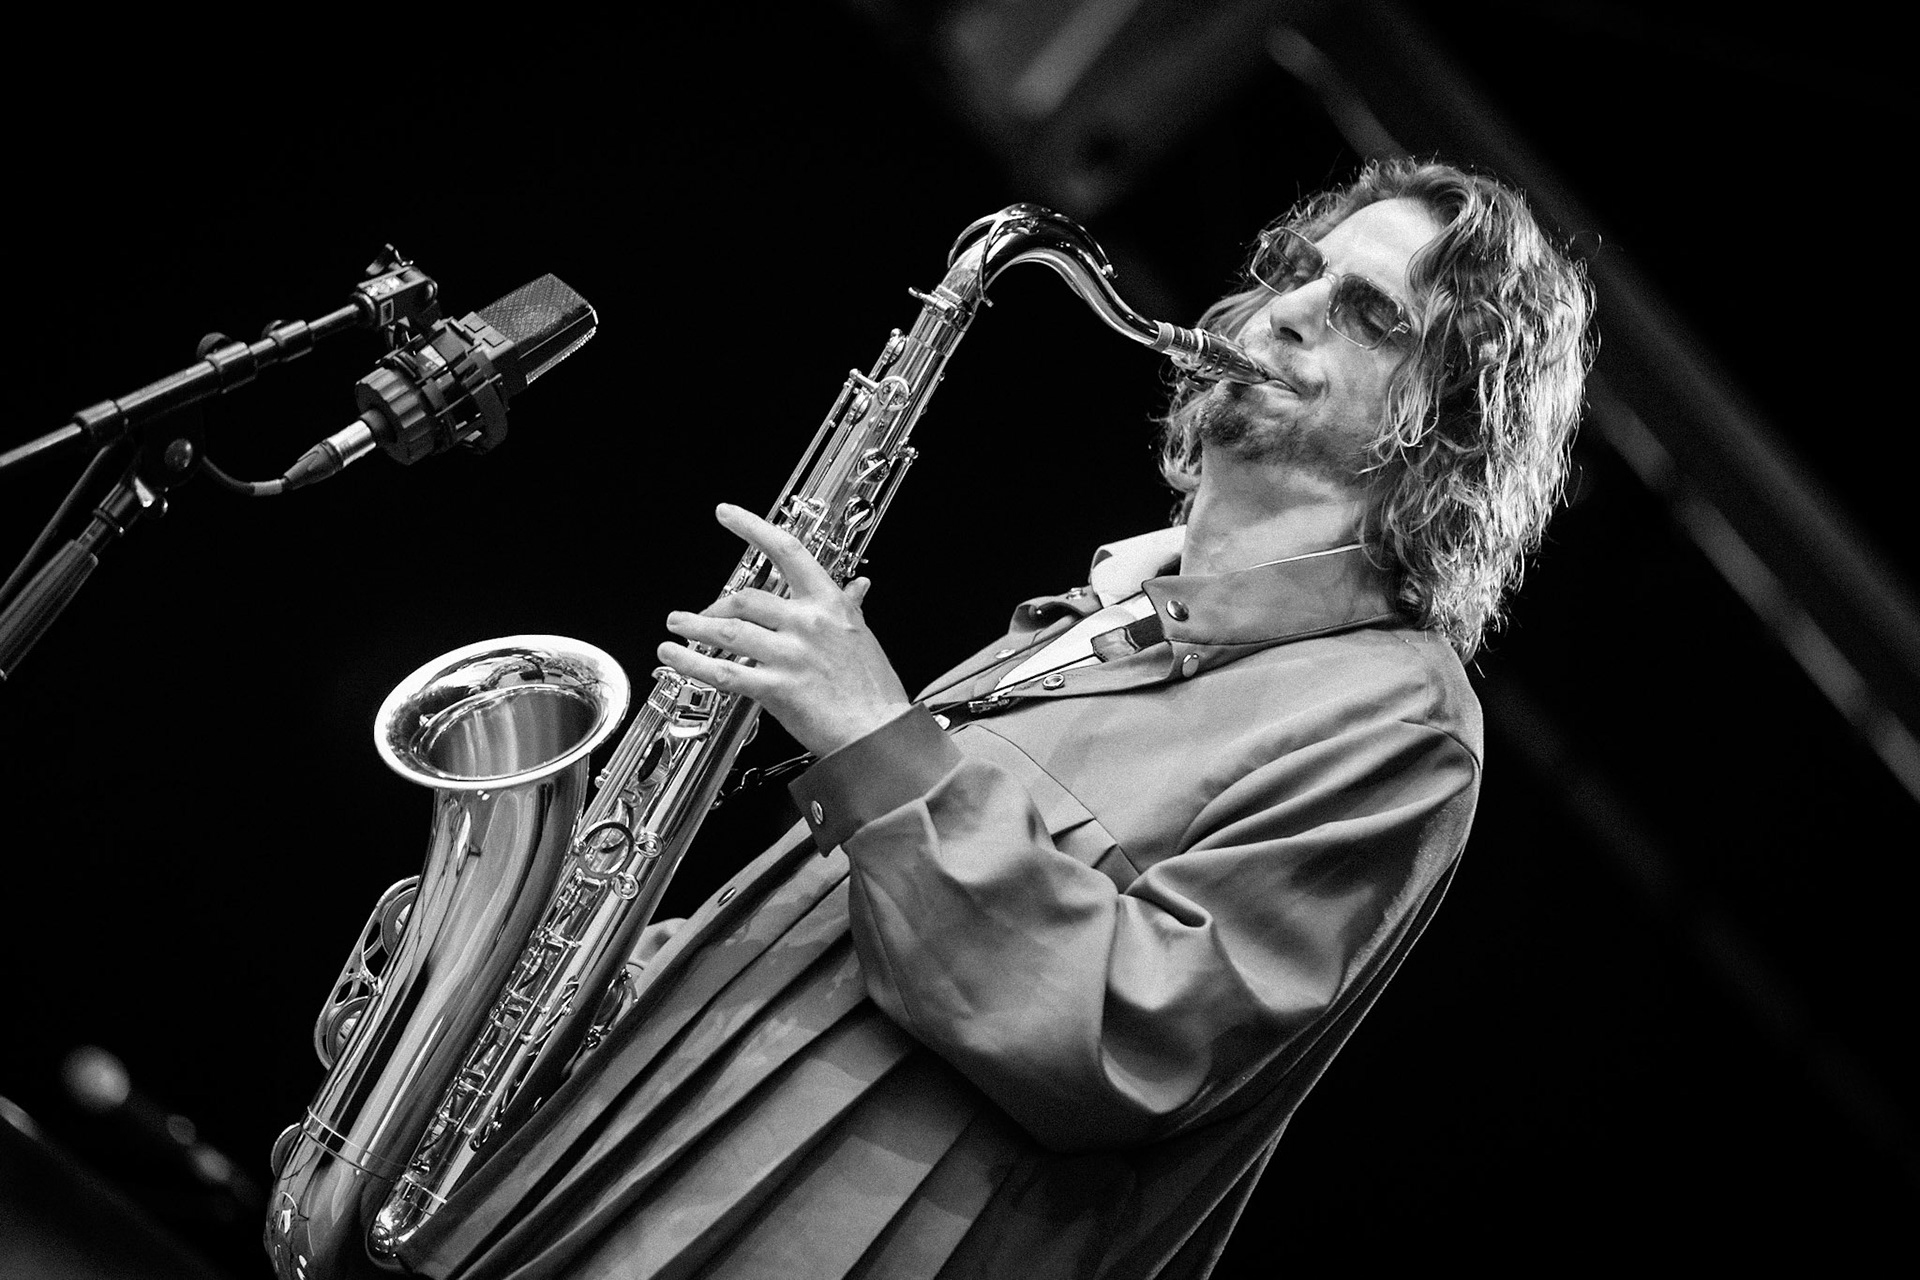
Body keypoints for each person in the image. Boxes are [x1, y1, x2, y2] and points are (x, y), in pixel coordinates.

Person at [397, 156, 1593, 1280]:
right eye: (1297, 275)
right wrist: (539, 974)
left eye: (1372, 314)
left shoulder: (1399, 715)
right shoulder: (1093, 614)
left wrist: (879, 740)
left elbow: (1133, 1039)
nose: (1285, 312)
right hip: (615, 1187)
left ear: (1456, 416)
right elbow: (847, 949)